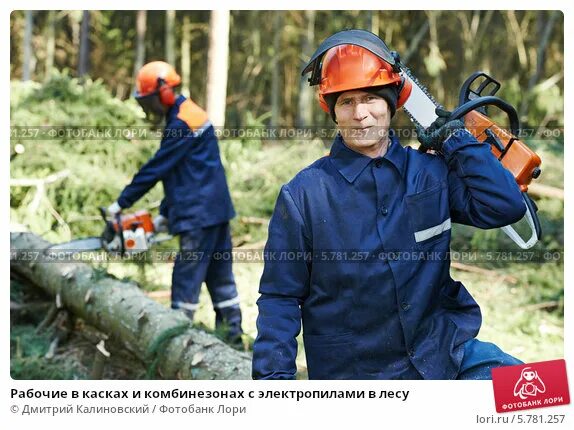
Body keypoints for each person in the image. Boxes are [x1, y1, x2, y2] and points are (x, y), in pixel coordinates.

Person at [252, 30, 525, 379]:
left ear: (392, 103)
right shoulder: (305, 195)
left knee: (546, 395)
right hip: (359, 376)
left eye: (370, 99)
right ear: (331, 110)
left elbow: (505, 207)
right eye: (347, 102)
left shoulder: (429, 173)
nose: (360, 114)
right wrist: (274, 387)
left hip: (444, 353)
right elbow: (280, 297)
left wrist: (457, 139)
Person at [107, 61, 243, 344]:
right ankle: (232, 338)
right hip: (215, 210)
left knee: (186, 280)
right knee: (221, 279)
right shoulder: (188, 113)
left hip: (198, 215)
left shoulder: (181, 123)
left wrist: (121, 202)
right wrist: (166, 214)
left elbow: (159, 167)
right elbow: (187, 173)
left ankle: (176, 340)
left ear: (164, 93)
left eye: (149, 101)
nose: (149, 108)